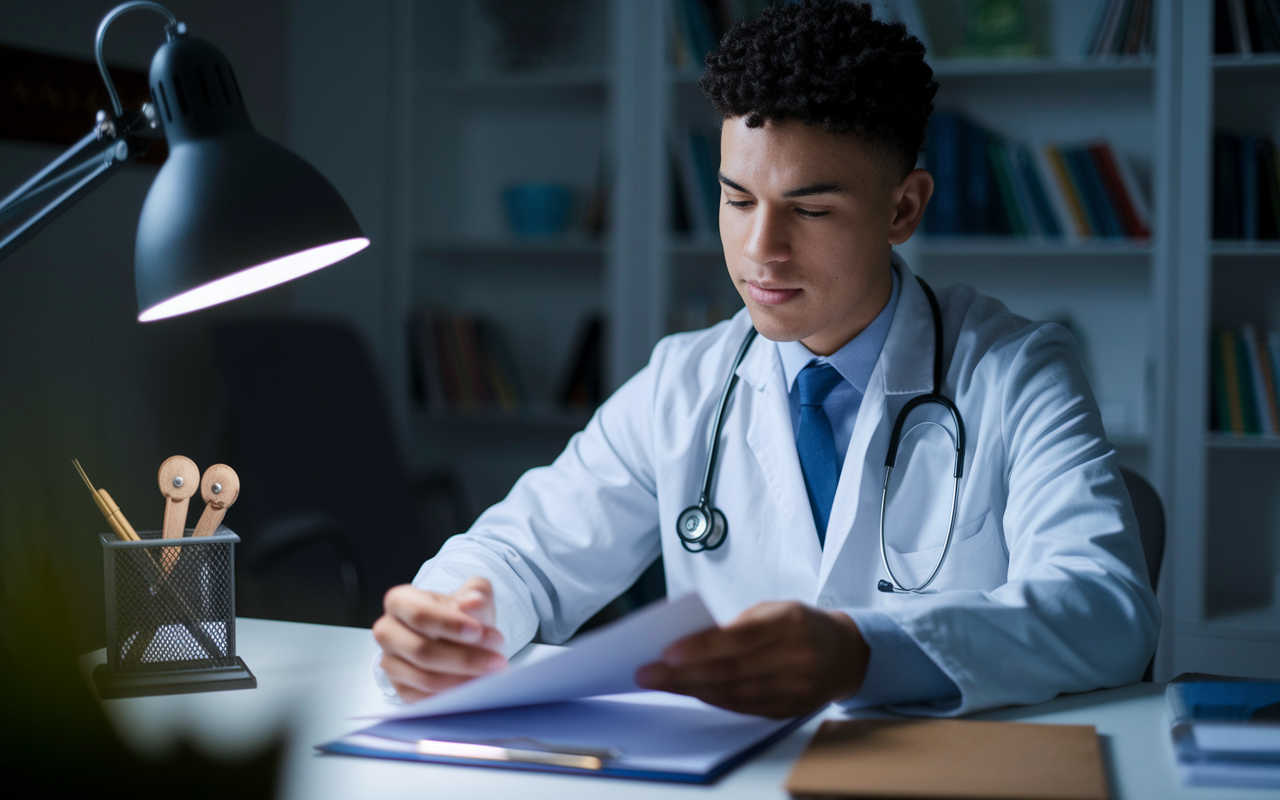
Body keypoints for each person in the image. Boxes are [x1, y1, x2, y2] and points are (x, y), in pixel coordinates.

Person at [372, 0, 1160, 718]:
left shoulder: (1015, 371)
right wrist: (456, 617)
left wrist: (860, 652)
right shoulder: (683, 382)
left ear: (903, 208)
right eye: (738, 199)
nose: (760, 252)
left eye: (810, 209)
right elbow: (524, 553)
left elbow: (1105, 608)